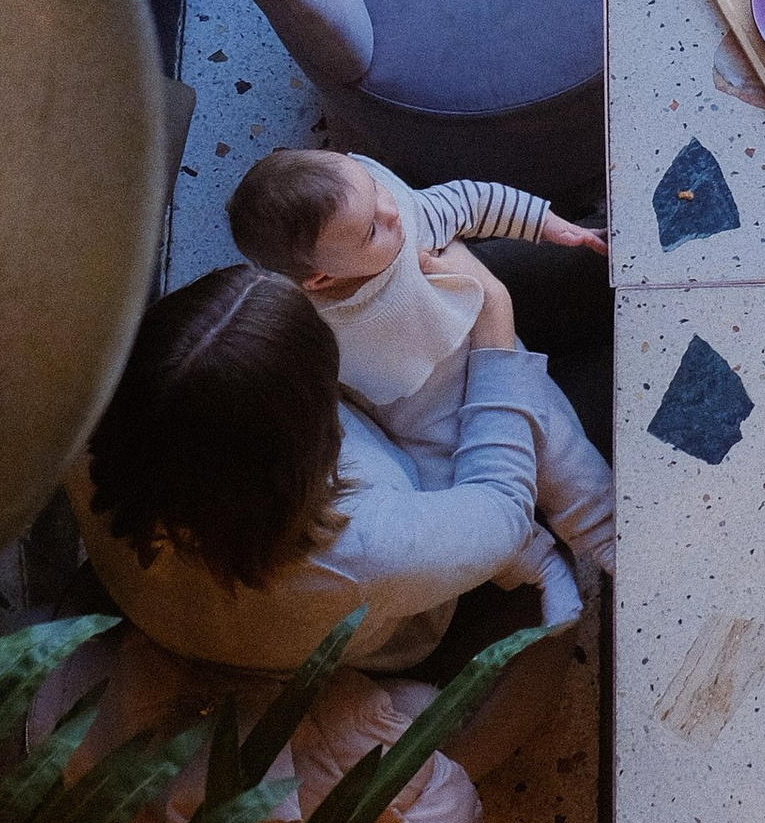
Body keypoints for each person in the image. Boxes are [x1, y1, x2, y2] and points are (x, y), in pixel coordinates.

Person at [70, 260, 568, 672]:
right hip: (410, 610)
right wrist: (495, 312)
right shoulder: (362, 552)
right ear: (313, 437)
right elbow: (504, 508)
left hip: (229, 624)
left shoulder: (92, 437)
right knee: (569, 407)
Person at [229, 146, 614, 611]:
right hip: (412, 415)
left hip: (489, 354)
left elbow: (473, 201)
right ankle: (540, 567)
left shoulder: (403, 217)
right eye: (372, 230)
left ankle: (608, 537)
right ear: (320, 280)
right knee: (446, 501)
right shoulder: (304, 319)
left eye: (378, 192)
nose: (393, 213)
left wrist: (550, 225)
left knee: (562, 453)